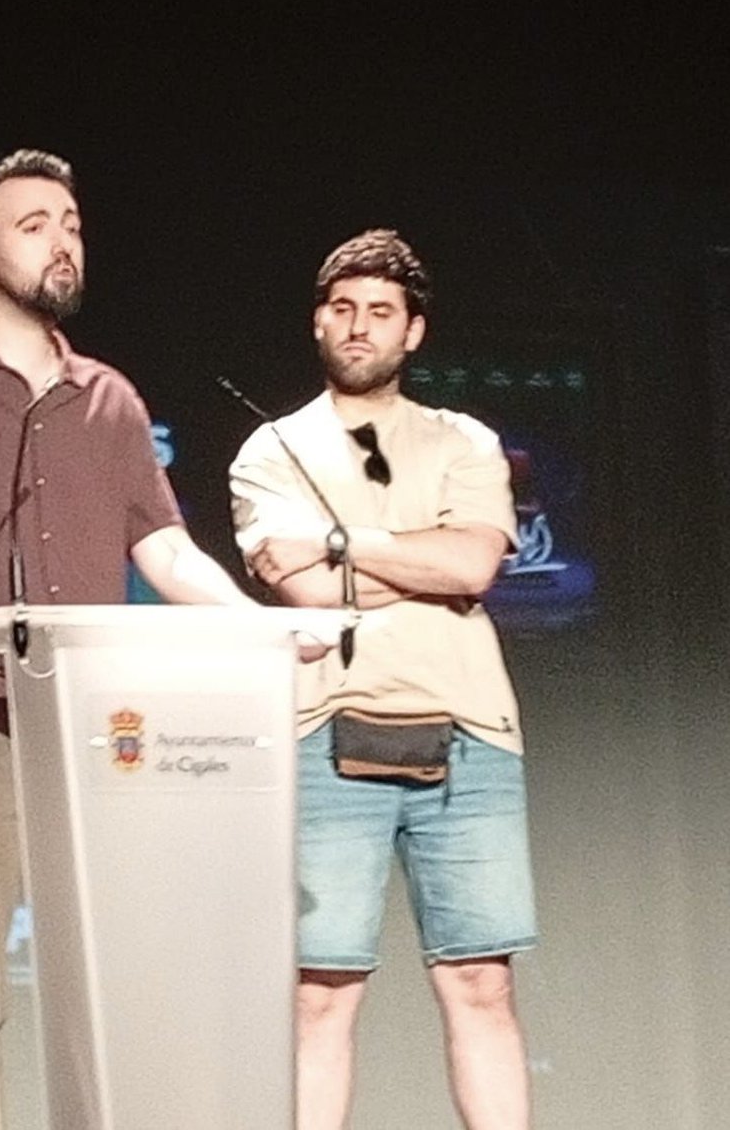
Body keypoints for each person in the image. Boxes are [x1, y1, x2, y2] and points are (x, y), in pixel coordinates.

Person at [0, 148, 255, 1130]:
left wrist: (257, 629)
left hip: (95, 727)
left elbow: (164, 548)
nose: (63, 240)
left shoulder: (110, 397)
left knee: (113, 1000)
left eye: (72, 223)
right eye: (35, 224)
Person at [229, 228, 537, 1130]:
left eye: (380, 313)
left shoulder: (467, 442)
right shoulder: (270, 451)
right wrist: (413, 556)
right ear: (318, 323)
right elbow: (305, 590)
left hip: (471, 732)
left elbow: (474, 567)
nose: (359, 327)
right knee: (320, 995)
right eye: (342, 310)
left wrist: (345, 541)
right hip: (325, 733)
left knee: (482, 983)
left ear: (413, 332)